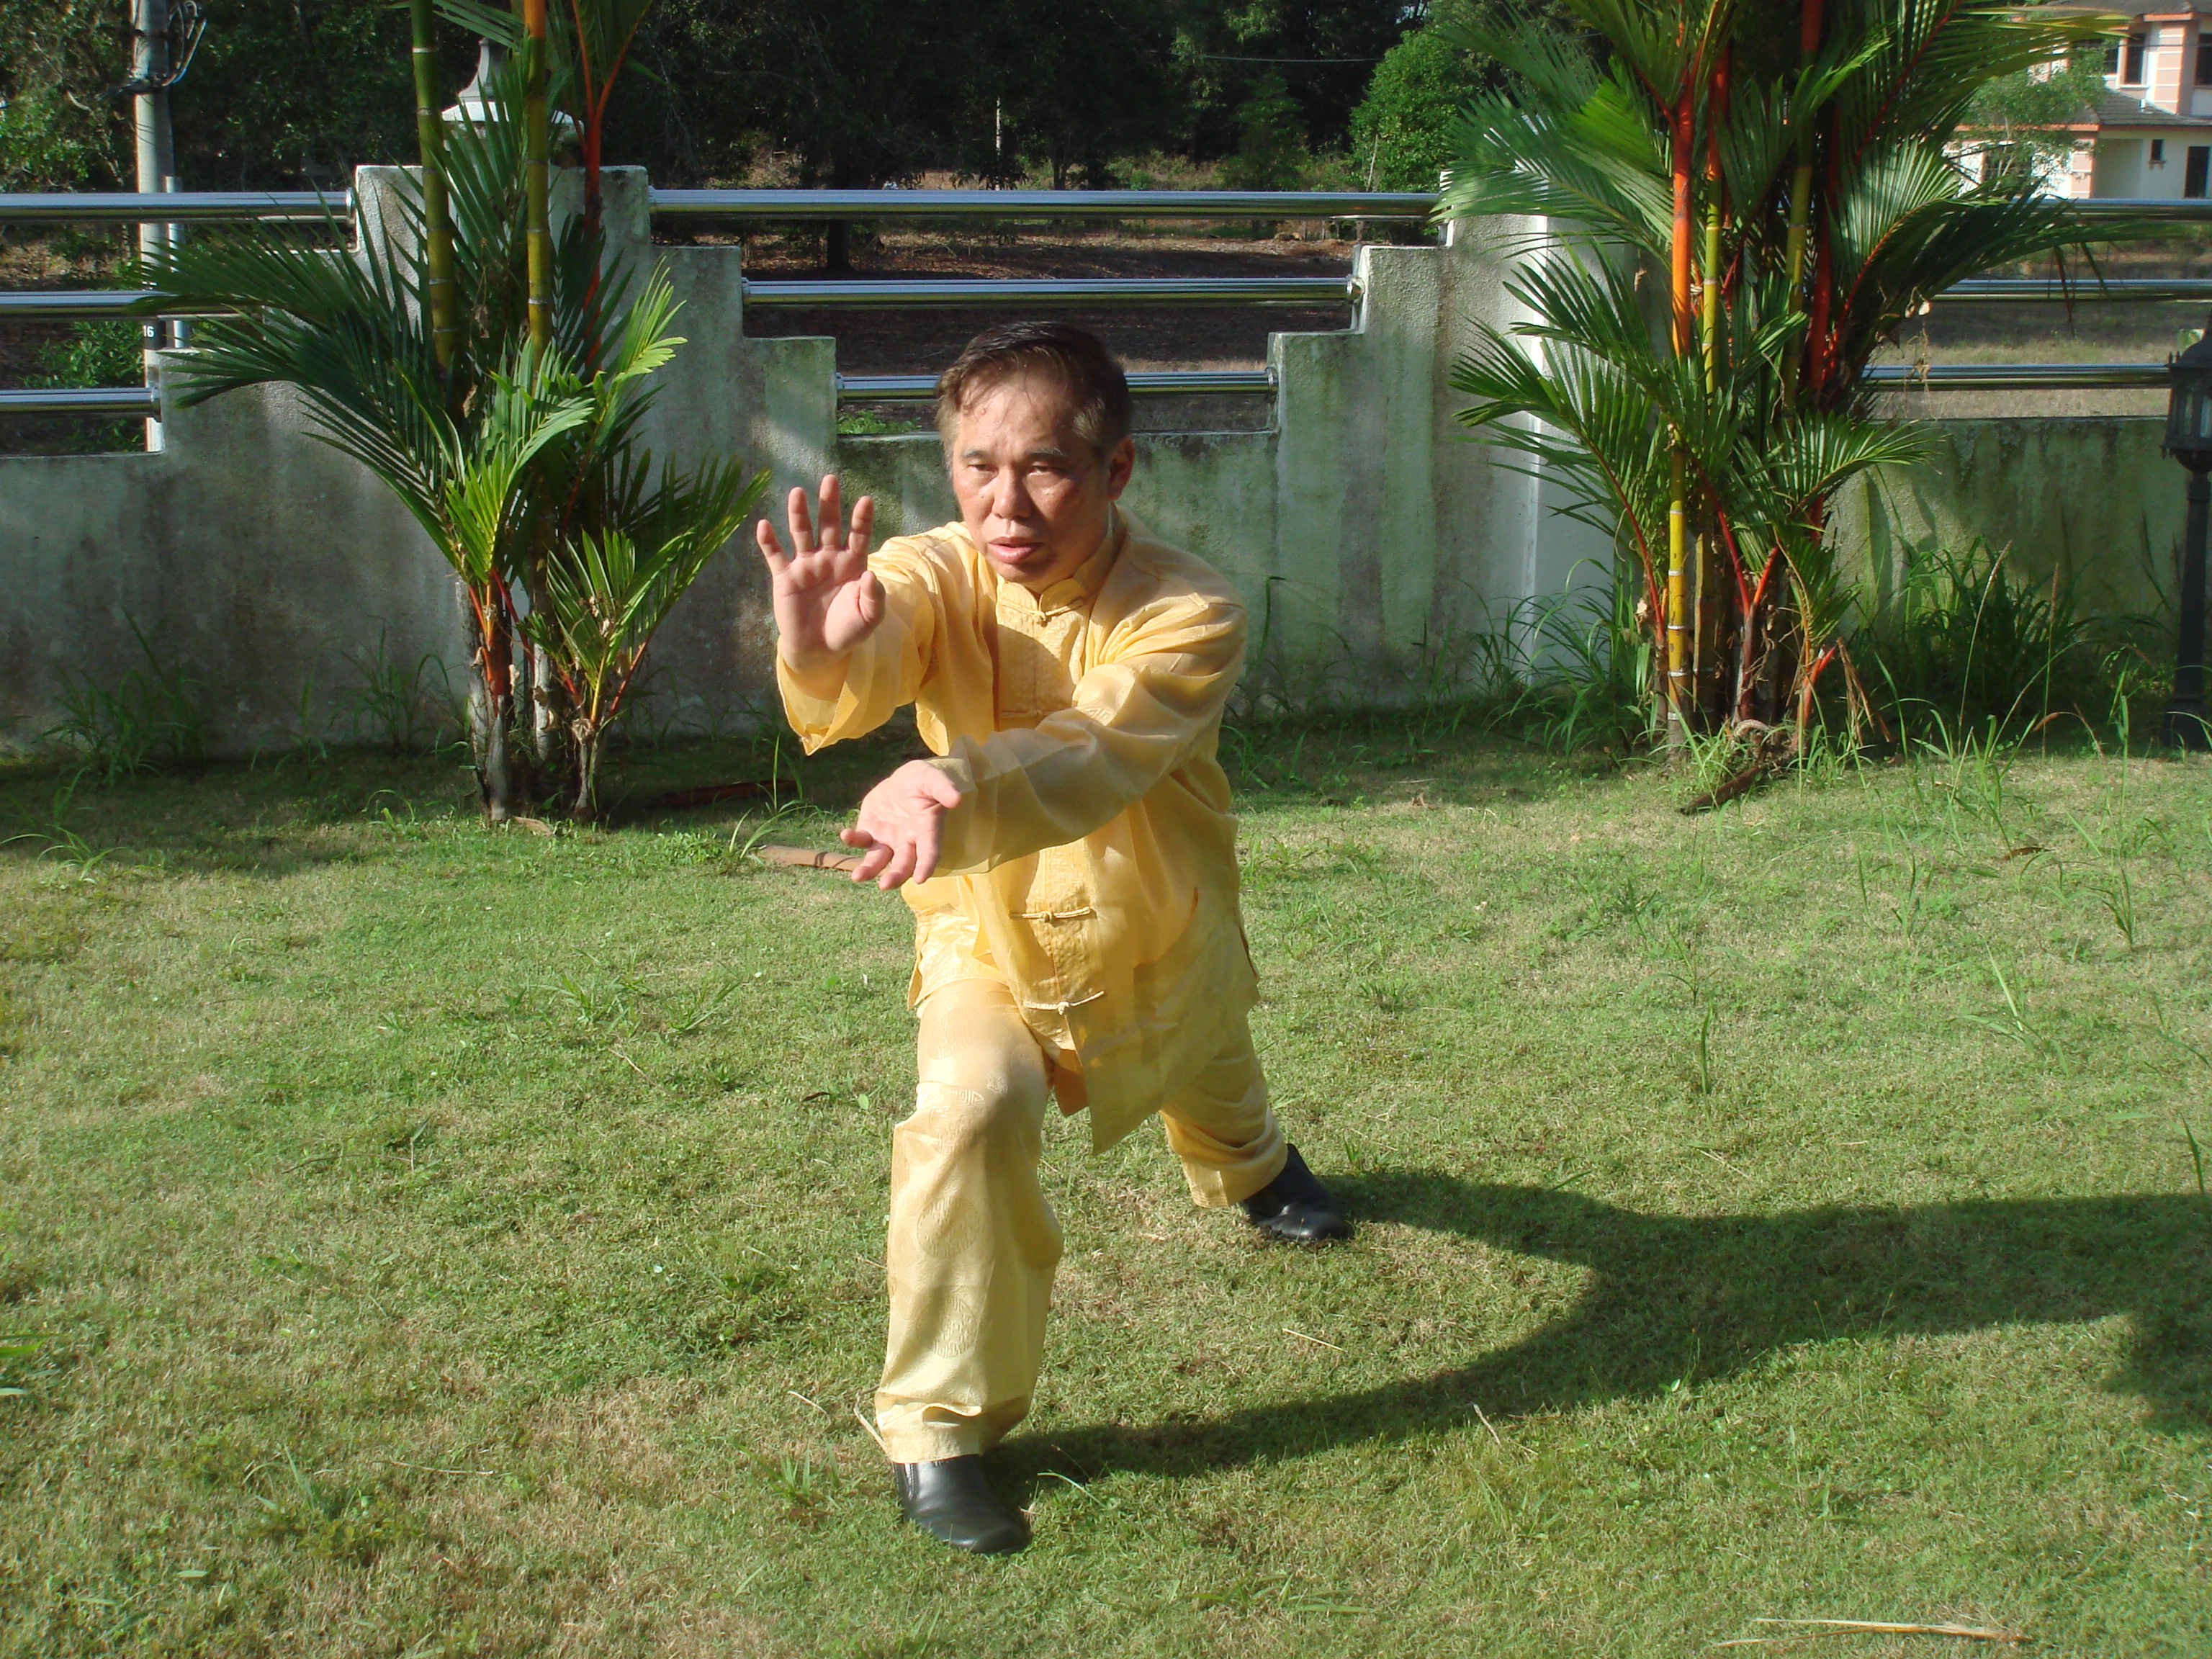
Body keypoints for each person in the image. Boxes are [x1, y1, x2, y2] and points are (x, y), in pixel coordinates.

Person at [754, 321, 1349, 1557]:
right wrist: (821, 644)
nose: (1004, 501)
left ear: (1116, 467)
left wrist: (945, 785)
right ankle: (937, 1431)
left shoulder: (1191, 608)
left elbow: (1097, 751)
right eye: (977, 465)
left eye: (1045, 467)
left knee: (1207, 1050)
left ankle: (1253, 1167)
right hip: (989, 929)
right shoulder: (934, 567)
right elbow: (883, 637)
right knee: (969, 1107)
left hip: (1158, 913)